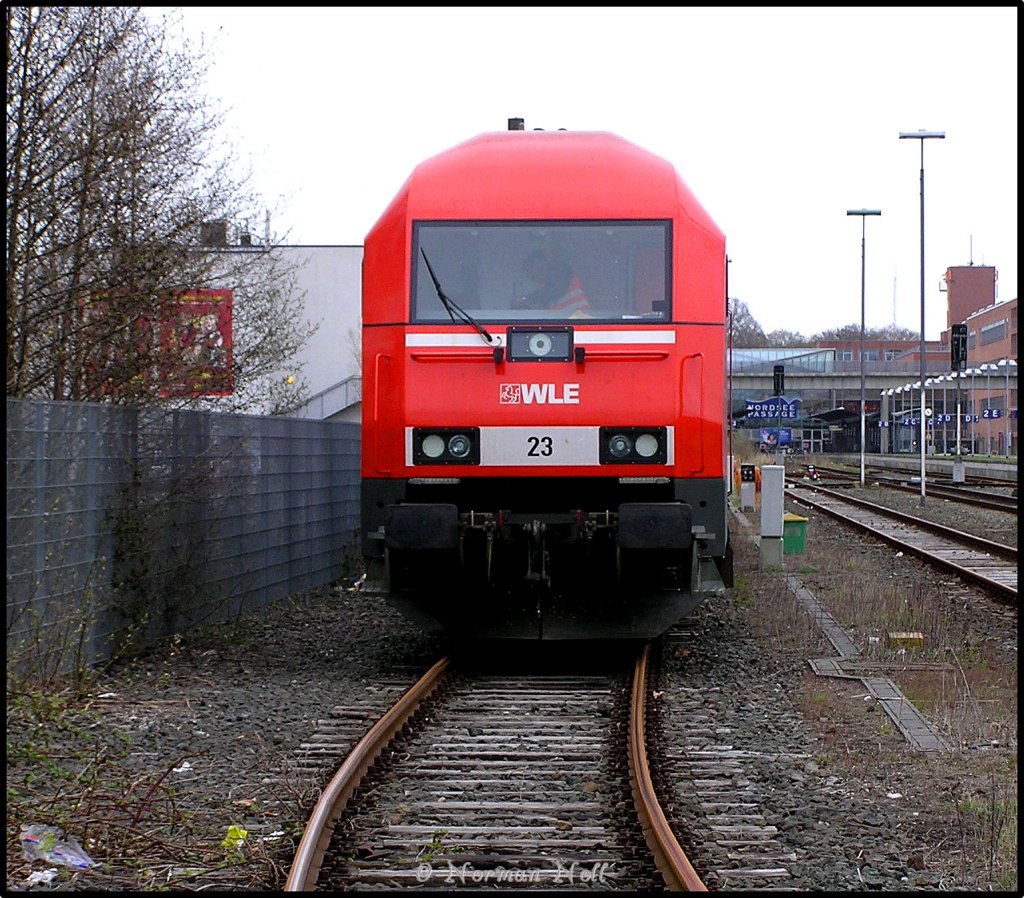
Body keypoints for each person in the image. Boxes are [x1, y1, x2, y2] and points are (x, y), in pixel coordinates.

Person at [514, 251, 591, 316]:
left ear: (547, 263)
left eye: (538, 265)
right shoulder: (546, 291)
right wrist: (521, 305)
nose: (537, 270)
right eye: (530, 270)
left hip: (581, 318)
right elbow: (542, 313)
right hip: (565, 323)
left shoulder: (562, 271)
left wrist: (526, 299)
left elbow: (556, 290)